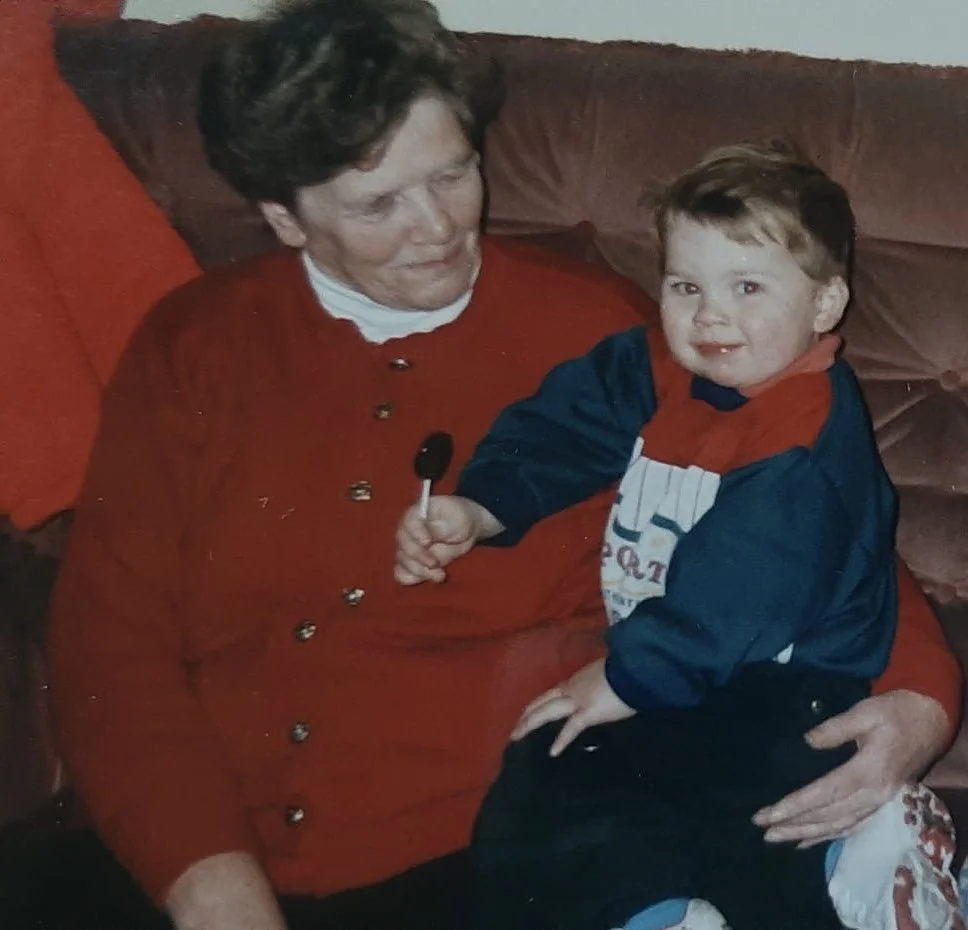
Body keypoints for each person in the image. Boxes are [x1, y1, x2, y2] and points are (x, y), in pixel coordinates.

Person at [42, 1, 959, 929]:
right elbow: (109, 640)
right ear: (284, 216)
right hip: (192, 850)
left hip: (491, 849)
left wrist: (922, 701)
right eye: (378, 204)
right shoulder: (193, 345)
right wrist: (205, 881)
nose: (438, 226)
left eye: (453, 175)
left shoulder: (599, 328)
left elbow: (811, 520)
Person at [393, 142, 964, 930]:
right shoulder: (667, 367)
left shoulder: (801, 449)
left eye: (748, 287)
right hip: (706, 674)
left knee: (559, 773)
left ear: (825, 306)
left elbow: (735, 592)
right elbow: (570, 424)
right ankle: (832, 875)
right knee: (680, 814)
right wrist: (484, 507)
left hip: (786, 685)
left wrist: (626, 681)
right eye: (686, 285)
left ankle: (792, 887)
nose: (710, 315)